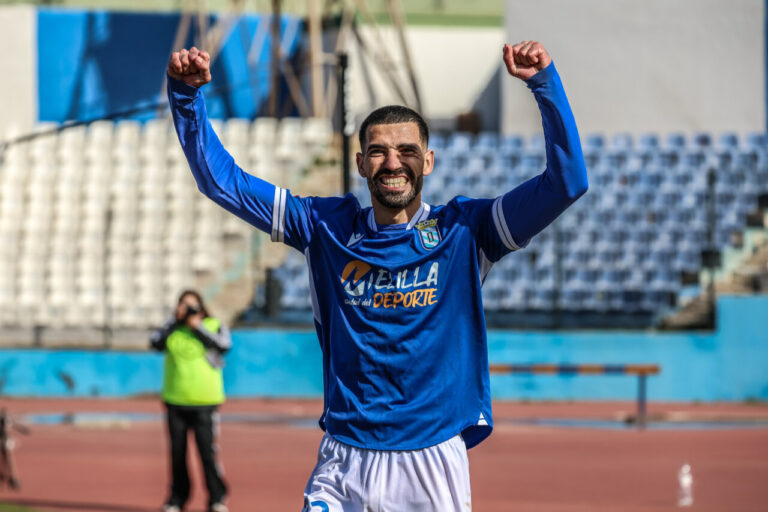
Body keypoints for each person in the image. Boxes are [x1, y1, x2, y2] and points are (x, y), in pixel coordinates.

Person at [166, 40, 587, 511]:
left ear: (427, 162)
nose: (393, 162)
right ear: (361, 162)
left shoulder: (467, 230)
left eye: (407, 150)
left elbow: (567, 183)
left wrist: (544, 84)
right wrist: (186, 98)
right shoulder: (324, 226)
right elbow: (221, 181)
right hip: (344, 460)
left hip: (431, 461)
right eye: (378, 151)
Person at [150, 290, 232, 512]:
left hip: (205, 401)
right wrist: (175, 321)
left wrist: (198, 326)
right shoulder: (173, 329)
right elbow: (154, 343)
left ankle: (217, 498)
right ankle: (177, 498)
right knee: (177, 454)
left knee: (208, 453)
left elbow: (224, 346)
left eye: (192, 306)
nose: (188, 310)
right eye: (184, 306)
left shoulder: (214, 325)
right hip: (175, 400)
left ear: (202, 307)